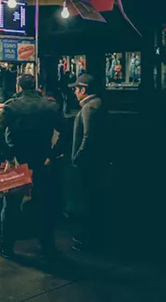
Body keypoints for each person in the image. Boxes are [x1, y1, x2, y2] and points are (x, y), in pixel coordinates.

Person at [0, 74, 65, 260]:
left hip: (18, 161)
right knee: (44, 204)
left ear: (18, 87)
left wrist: (8, 154)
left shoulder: (11, 106)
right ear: (35, 86)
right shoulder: (50, 106)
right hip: (41, 161)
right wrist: (53, 154)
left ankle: (6, 246)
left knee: (11, 205)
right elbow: (67, 131)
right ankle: (47, 246)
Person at [68, 73, 107, 252]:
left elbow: (88, 137)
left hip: (90, 164)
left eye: (76, 89)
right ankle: (95, 236)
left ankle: (89, 239)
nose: (75, 92)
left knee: (89, 200)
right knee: (94, 199)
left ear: (83, 90)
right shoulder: (97, 104)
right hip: (97, 162)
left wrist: (78, 157)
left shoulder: (89, 108)